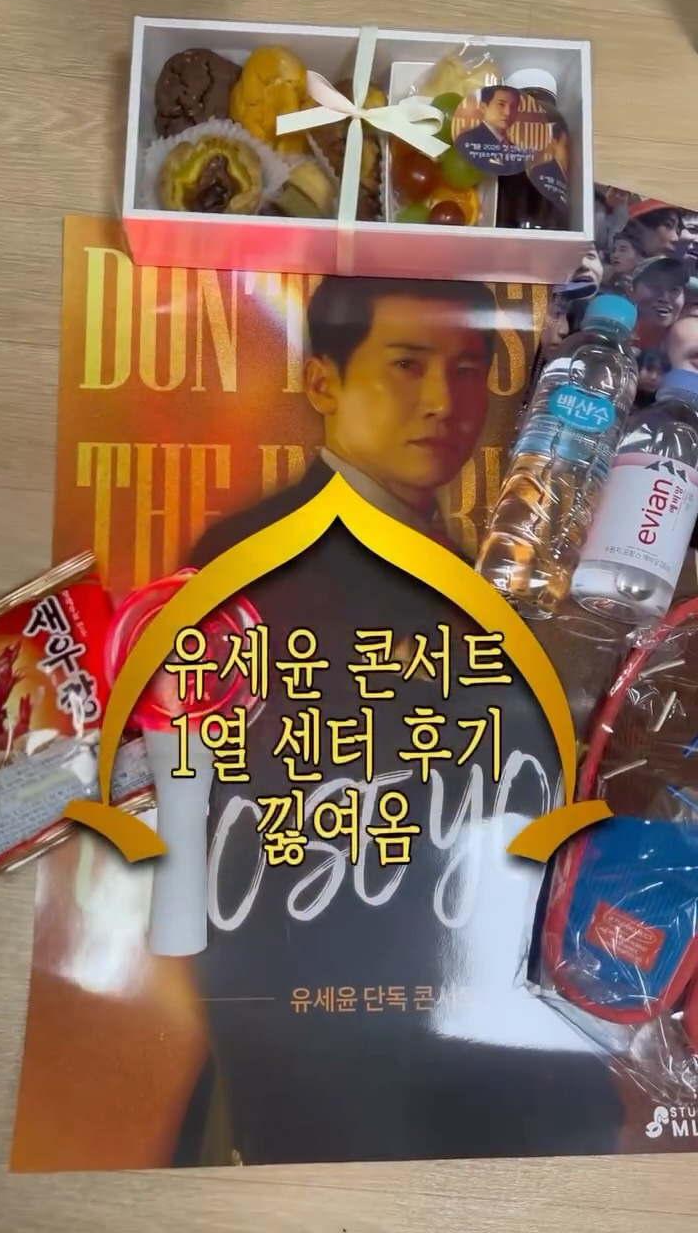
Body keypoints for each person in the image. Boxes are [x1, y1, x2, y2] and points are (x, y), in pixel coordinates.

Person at [172, 276, 625, 1169]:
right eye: (407, 365)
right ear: (323, 382)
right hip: (360, 1092)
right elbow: (262, 879)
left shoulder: (453, 560)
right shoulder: (259, 563)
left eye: (466, 370)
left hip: (479, 1061)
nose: (444, 402)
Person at [455, 85, 522, 165]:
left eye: (513, 106)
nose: (508, 112)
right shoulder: (468, 141)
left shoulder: (515, 150)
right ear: (483, 107)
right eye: (501, 105)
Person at [632, 255, 688, 348]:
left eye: (674, 289)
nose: (665, 298)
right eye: (655, 287)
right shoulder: (615, 334)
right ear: (632, 291)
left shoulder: (689, 343)